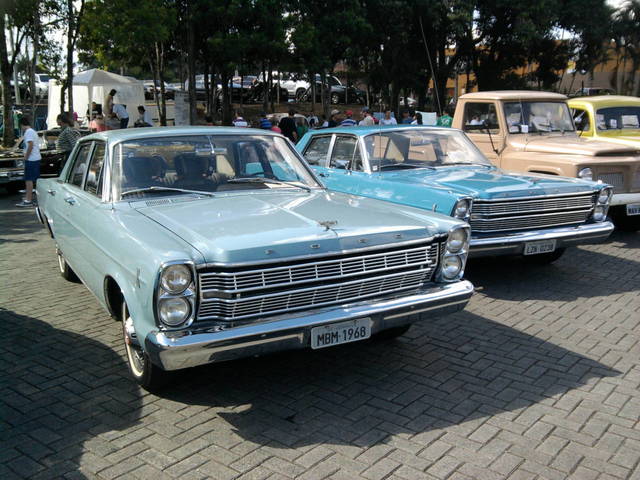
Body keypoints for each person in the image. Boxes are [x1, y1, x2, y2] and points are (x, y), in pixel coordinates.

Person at [15, 117, 41, 208]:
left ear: (22, 125)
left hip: (31, 159)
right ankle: (31, 198)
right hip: (35, 158)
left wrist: (26, 156)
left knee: (28, 180)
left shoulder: (28, 132)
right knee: (33, 180)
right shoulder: (32, 131)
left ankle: (28, 200)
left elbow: (30, 145)